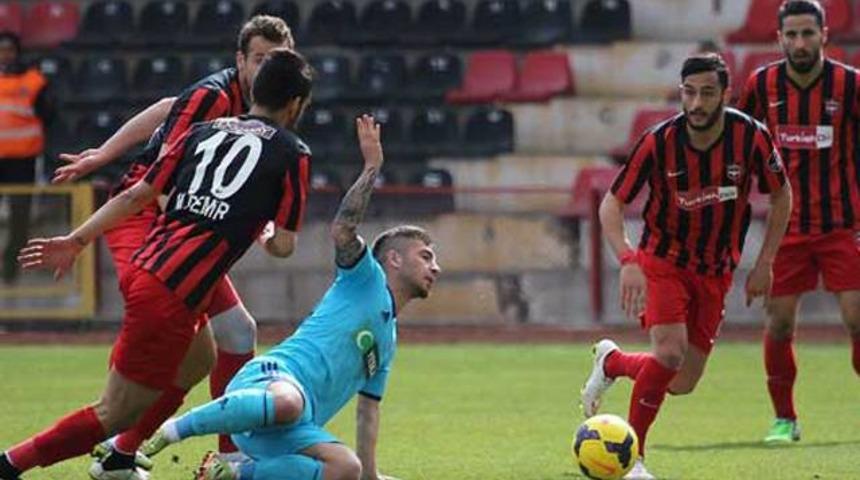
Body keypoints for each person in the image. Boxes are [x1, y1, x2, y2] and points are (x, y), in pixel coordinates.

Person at [0, 47, 313, 480]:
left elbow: (138, 194)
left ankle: (121, 456)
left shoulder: (201, 131)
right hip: (170, 295)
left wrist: (77, 240)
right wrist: (264, 232)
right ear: (295, 105)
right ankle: (12, 462)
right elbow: (283, 247)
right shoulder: (293, 153)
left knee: (199, 359)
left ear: (254, 89)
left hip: (151, 269)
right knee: (113, 412)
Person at [137, 118, 440, 480]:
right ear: (394, 259)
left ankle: (233, 474)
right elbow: (343, 229)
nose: (435, 267)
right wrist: (372, 167)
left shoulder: (388, 338)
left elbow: (368, 411)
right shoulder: (365, 278)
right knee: (288, 402)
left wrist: (371, 477)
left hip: (292, 431)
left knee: (346, 468)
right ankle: (169, 432)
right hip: (270, 384)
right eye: (426, 256)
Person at [56, 15, 295, 463]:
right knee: (190, 337)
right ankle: (149, 442)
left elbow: (168, 105)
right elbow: (164, 182)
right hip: (146, 215)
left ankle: (128, 449)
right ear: (240, 60)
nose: (267, 68)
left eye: (275, 59)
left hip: (174, 220)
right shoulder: (216, 98)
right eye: (259, 58)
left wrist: (104, 152)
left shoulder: (261, 107)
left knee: (229, 335)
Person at [580, 53, 792, 479]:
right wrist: (628, 259)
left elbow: (782, 195)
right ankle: (634, 461)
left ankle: (613, 362)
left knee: (680, 380)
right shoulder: (659, 141)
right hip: (664, 261)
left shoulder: (751, 137)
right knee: (670, 353)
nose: (696, 103)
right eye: (689, 92)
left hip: (716, 271)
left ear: (725, 95)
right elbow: (612, 203)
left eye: (707, 93)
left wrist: (765, 262)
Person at [737, 0, 860, 444]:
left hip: (845, 224)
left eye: (808, 33)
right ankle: (784, 419)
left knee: (858, 319)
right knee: (779, 323)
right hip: (787, 228)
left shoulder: (851, 85)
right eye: (791, 35)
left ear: (824, 34)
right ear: (779, 38)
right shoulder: (761, 84)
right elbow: (741, 146)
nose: (800, 43)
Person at [0, 31, 55, 283]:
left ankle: (10, 266)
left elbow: (49, 116)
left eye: (9, 49)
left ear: (17, 52)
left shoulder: (34, 81)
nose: (5, 54)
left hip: (22, 160)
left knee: (20, 216)